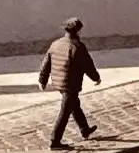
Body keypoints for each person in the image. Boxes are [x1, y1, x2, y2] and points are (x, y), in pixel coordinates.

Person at [42, 15, 102, 145]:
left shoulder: (55, 44)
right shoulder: (78, 47)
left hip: (59, 81)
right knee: (65, 112)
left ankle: (84, 129)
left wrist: (43, 80)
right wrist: (96, 78)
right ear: (78, 31)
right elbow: (88, 65)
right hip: (71, 83)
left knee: (74, 105)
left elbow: (46, 63)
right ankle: (55, 140)